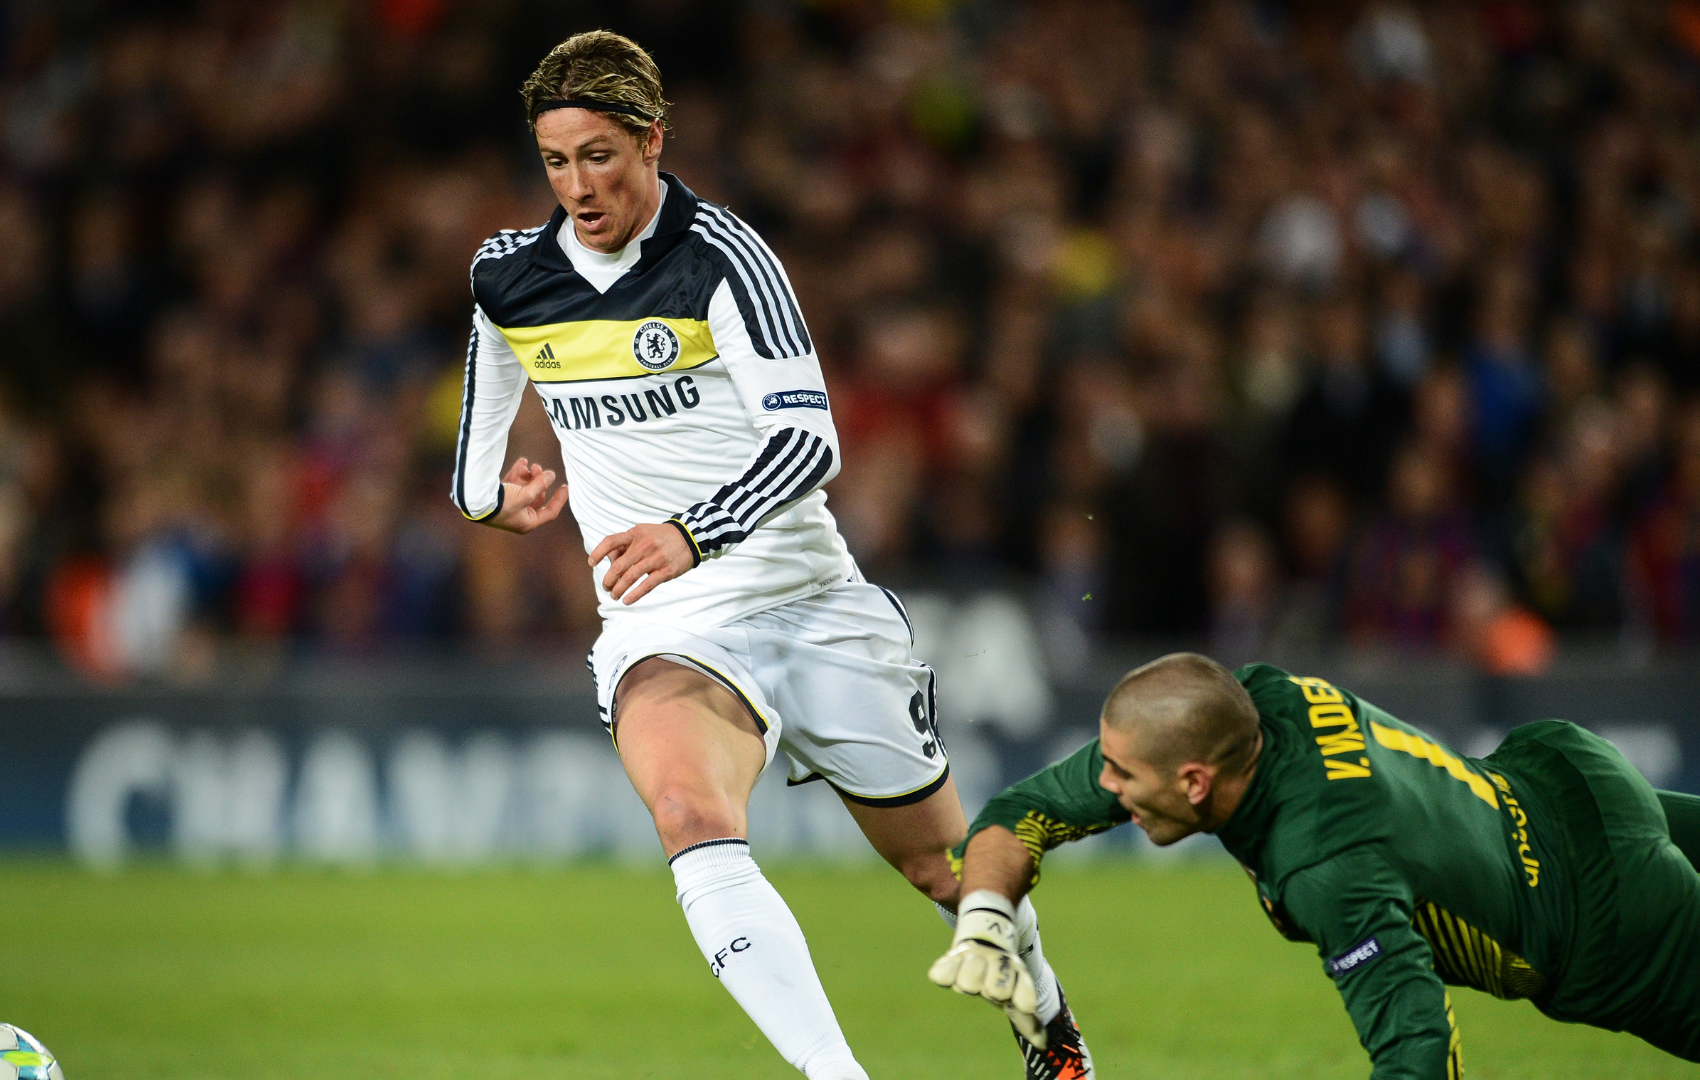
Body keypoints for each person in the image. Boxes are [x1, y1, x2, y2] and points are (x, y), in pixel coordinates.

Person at [450, 30, 1092, 1080]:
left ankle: (1052, 1033)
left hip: (801, 594)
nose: (578, 186)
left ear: (654, 140)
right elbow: (482, 431)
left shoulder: (725, 259)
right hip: (663, 618)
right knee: (689, 811)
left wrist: (688, 529)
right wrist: (491, 500)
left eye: (601, 156)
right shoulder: (509, 278)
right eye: (557, 161)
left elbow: (812, 442)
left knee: (944, 870)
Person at [930, 651, 1700, 1077]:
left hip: (1608, 918)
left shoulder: (1324, 865)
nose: (1105, 789)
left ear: (1195, 783)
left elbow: (1419, 1048)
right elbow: (1022, 812)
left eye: (1122, 777)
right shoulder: (1252, 705)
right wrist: (988, 916)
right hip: (1568, 778)